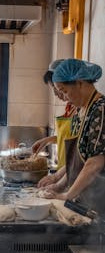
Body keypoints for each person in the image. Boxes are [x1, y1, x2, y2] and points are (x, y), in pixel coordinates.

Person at [42, 58, 105, 216]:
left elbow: (94, 163)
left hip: (100, 198)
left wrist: (67, 195)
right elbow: (76, 159)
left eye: (63, 91)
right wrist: (60, 185)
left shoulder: (100, 110)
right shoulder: (80, 112)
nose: (64, 97)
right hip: (84, 197)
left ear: (80, 83)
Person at [32, 59, 77, 188]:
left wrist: (57, 177)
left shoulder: (83, 110)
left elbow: (82, 151)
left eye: (60, 89)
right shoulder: (70, 107)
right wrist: (48, 140)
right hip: (65, 168)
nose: (57, 94)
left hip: (75, 172)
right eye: (55, 90)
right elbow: (70, 137)